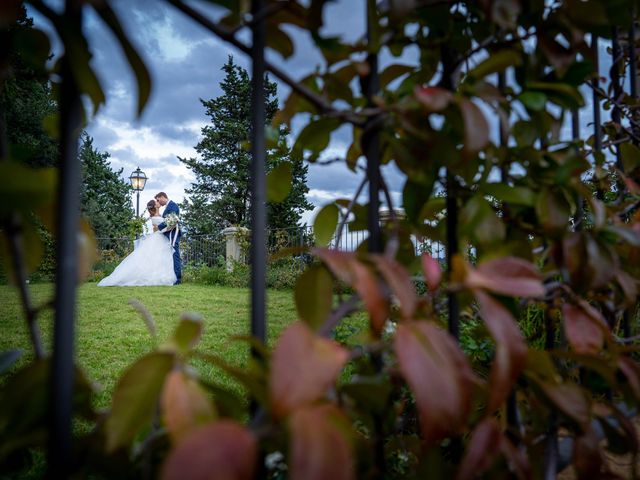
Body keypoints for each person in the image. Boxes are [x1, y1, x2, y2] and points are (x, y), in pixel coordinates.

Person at [97, 200, 177, 286]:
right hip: (158, 238)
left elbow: (160, 227)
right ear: (155, 206)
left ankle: (160, 275)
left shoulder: (159, 215)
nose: (158, 202)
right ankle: (155, 277)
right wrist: (170, 227)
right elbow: (160, 228)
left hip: (160, 237)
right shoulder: (155, 217)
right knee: (155, 258)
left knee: (158, 258)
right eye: (156, 202)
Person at [155, 191, 182, 285]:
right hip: (169, 233)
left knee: (175, 254)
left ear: (162, 197)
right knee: (170, 255)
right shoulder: (168, 206)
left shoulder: (173, 205)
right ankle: (173, 277)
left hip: (173, 233)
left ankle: (178, 279)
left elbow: (173, 219)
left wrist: (159, 227)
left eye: (158, 200)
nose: (158, 202)